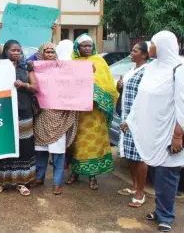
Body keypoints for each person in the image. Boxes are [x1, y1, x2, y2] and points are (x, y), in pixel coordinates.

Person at [122, 31, 183, 232]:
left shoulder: (178, 70)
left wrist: (178, 135)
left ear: (164, 46)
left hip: (170, 134)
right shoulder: (152, 68)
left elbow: (182, 106)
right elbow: (141, 98)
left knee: (168, 174)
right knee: (157, 174)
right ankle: (159, 211)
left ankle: (166, 216)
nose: (150, 48)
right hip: (154, 132)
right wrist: (130, 120)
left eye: (154, 44)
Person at [66, 34, 118, 190]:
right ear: (77, 48)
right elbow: (66, 85)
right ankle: (75, 172)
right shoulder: (72, 64)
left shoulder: (100, 62)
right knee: (76, 143)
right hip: (78, 113)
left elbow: (108, 86)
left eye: (90, 45)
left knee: (93, 144)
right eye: (84, 46)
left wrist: (97, 97)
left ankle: (92, 176)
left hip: (95, 113)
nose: (87, 48)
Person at [0, 40, 38, 196]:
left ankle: (21, 182)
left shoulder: (27, 67)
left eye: (19, 50)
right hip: (3, 112)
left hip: (24, 113)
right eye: (13, 50)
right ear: (6, 51)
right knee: (4, 145)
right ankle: (1, 181)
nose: (17, 53)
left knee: (24, 147)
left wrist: (24, 85)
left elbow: (36, 87)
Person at [32, 41, 79, 195]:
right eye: (47, 52)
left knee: (58, 153)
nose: (51, 55)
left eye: (53, 52)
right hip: (42, 116)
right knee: (41, 151)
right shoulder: (34, 70)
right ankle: (39, 177)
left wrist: (88, 71)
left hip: (59, 115)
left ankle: (57, 182)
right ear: (41, 53)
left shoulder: (64, 70)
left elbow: (78, 80)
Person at [116, 41, 150, 207]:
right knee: (129, 154)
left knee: (139, 156)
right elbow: (126, 91)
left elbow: (143, 97)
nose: (131, 52)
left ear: (144, 54)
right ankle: (134, 185)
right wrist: (119, 86)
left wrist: (131, 120)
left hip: (137, 119)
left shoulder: (147, 71)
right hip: (126, 117)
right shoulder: (132, 70)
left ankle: (140, 192)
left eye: (135, 50)